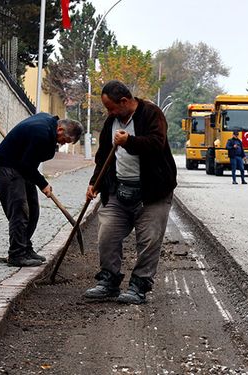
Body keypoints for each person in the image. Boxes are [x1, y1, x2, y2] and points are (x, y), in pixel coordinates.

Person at [84, 80, 177, 305]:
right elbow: (103, 156)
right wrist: (94, 183)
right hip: (118, 190)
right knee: (107, 234)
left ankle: (139, 286)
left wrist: (129, 141)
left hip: (152, 192)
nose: (109, 112)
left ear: (124, 101)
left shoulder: (152, 114)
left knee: (149, 240)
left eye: (111, 107)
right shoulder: (112, 122)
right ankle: (109, 281)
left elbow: (157, 143)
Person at [0, 113, 83, 267]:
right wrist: (43, 183)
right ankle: (16, 254)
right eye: (65, 140)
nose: (62, 144)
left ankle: (26, 247)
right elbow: (27, 166)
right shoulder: (41, 133)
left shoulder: (48, 124)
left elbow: (28, 163)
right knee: (19, 210)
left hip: (20, 166)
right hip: (6, 168)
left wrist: (40, 181)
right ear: (60, 130)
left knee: (33, 209)